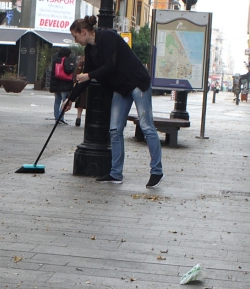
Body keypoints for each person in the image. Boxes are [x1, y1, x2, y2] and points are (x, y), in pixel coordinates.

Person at [62, 16, 164, 188]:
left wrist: (89, 75)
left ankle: (156, 171)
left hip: (137, 82)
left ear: (84, 32)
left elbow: (110, 65)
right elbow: (84, 78)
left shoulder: (107, 37)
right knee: (115, 129)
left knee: (146, 126)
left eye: (75, 36)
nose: (75, 40)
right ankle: (116, 173)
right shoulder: (89, 50)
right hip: (120, 88)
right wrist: (71, 99)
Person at [50, 47, 75, 124]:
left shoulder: (55, 60)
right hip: (64, 84)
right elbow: (68, 70)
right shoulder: (66, 60)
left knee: (57, 101)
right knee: (65, 101)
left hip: (56, 84)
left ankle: (57, 117)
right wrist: (72, 66)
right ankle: (61, 117)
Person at [73, 55, 87, 126]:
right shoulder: (94, 58)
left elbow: (78, 70)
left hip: (82, 83)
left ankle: (78, 118)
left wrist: (76, 81)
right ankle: (87, 120)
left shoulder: (83, 59)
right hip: (90, 84)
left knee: (81, 102)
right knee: (89, 103)